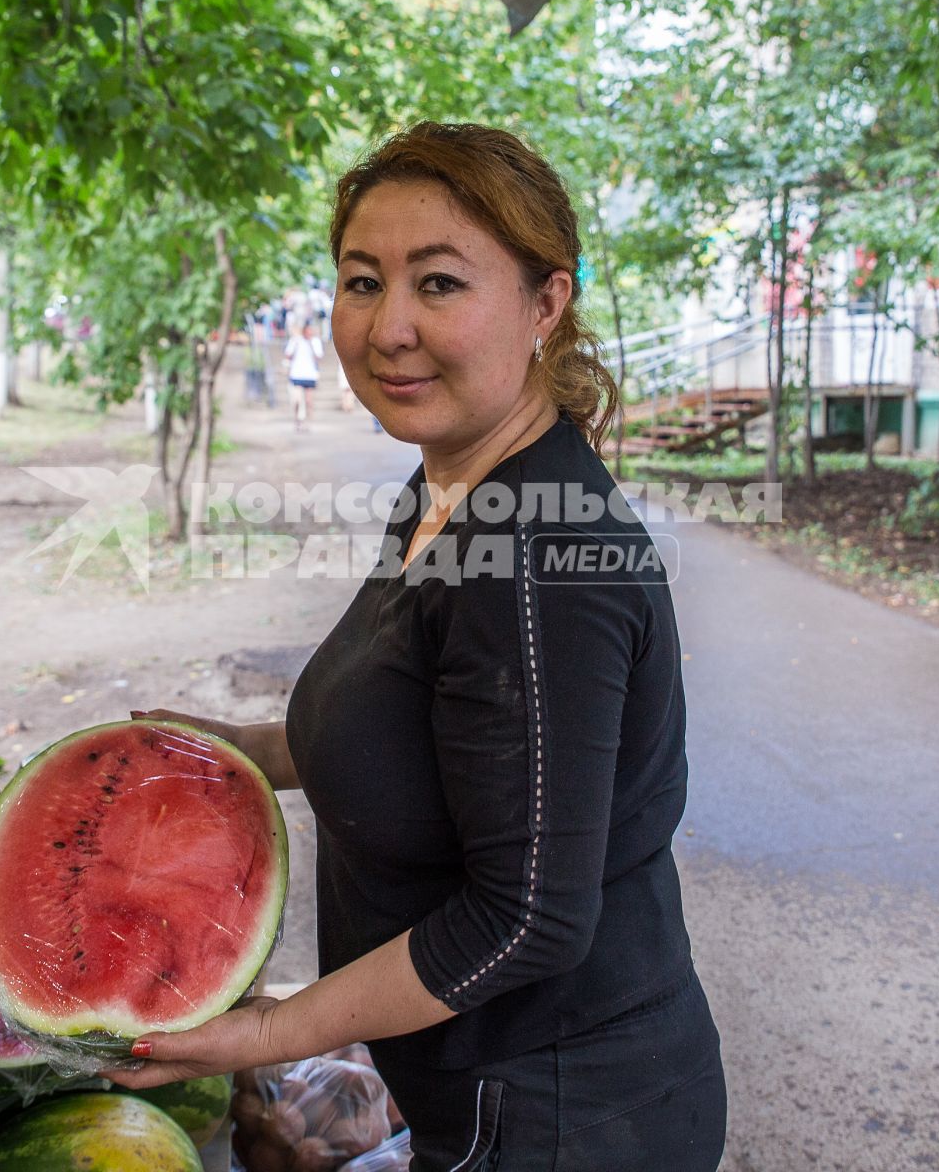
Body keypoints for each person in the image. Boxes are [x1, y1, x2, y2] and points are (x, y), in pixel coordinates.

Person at [120, 122, 726, 1171]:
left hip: (557, 1115)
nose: (387, 326)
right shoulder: (452, 480)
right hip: (485, 1090)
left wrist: (270, 1028)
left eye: (439, 283)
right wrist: (247, 748)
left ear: (547, 303)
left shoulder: (536, 553)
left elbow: (524, 919)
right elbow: (428, 730)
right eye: (362, 280)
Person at [284, 320, 323, 431]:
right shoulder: (296, 340)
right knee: (297, 400)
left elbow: (319, 357)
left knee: (309, 401)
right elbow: (287, 355)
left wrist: (311, 344)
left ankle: (308, 422)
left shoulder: (315, 341)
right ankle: (297, 419)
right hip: (296, 374)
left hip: (310, 374)